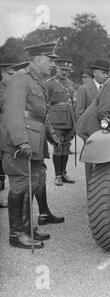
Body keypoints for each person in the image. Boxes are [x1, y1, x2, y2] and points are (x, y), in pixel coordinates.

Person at [0, 42, 62, 249]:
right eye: (50, 59)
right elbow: (13, 112)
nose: (53, 64)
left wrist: (51, 134)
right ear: (37, 59)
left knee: (32, 183)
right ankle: (17, 234)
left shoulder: (38, 81)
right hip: (22, 143)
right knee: (20, 185)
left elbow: (40, 115)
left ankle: (27, 228)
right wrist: (21, 141)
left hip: (35, 141)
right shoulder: (21, 78)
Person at [0, 62, 30, 209]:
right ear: (3, 74)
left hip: (6, 134)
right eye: (10, 74)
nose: (13, 77)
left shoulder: (14, 89)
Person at [46, 58, 77, 186]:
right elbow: (46, 104)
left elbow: (74, 103)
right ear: (56, 69)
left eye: (67, 70)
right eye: (63, 69)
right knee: (58, 146)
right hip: (56, 120)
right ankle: (57, 176)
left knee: (66, 146)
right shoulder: (50, 84)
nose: (65, 72)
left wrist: (75, 121)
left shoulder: (70, 83)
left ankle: (63, 173)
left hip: (69, 119)